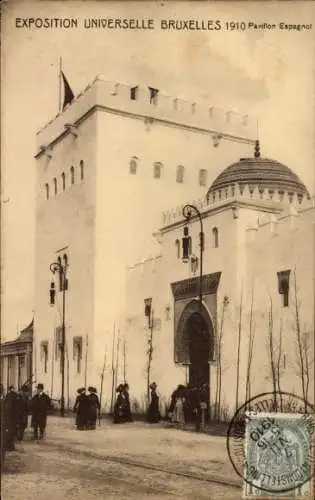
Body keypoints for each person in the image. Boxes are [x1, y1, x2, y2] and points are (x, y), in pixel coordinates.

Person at [4, 385, 18, 451]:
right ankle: (10, 446)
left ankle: (8, 446)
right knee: (11, 432)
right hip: (13, 416)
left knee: (8, 431)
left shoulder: (8, 395)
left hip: (8, 416)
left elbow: (7, 406)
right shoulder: (15, 395)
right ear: (13, 389)